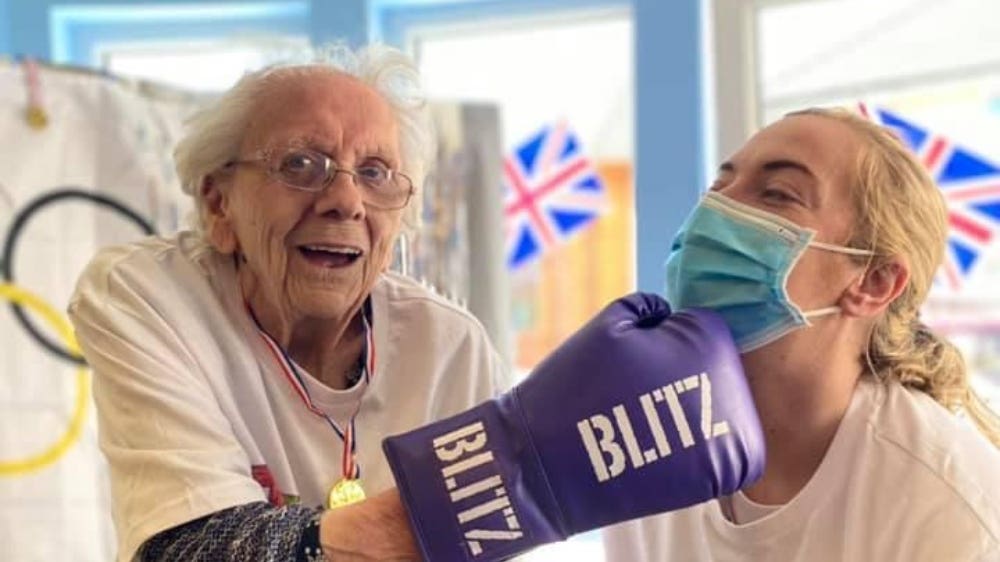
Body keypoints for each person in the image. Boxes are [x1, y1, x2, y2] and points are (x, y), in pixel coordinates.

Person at [68, 44, 510, 561]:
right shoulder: (147, 296)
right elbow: (189, 547)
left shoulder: (450, 346)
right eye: (301, 163)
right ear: (218, 202)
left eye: (375, 173)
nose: (345, 201)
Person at [604, 107, 1000, 561]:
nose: (716, 211)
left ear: (875, 282)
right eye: (718, 188)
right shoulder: (648, 452)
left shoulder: (953, 509)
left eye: (776, 194)